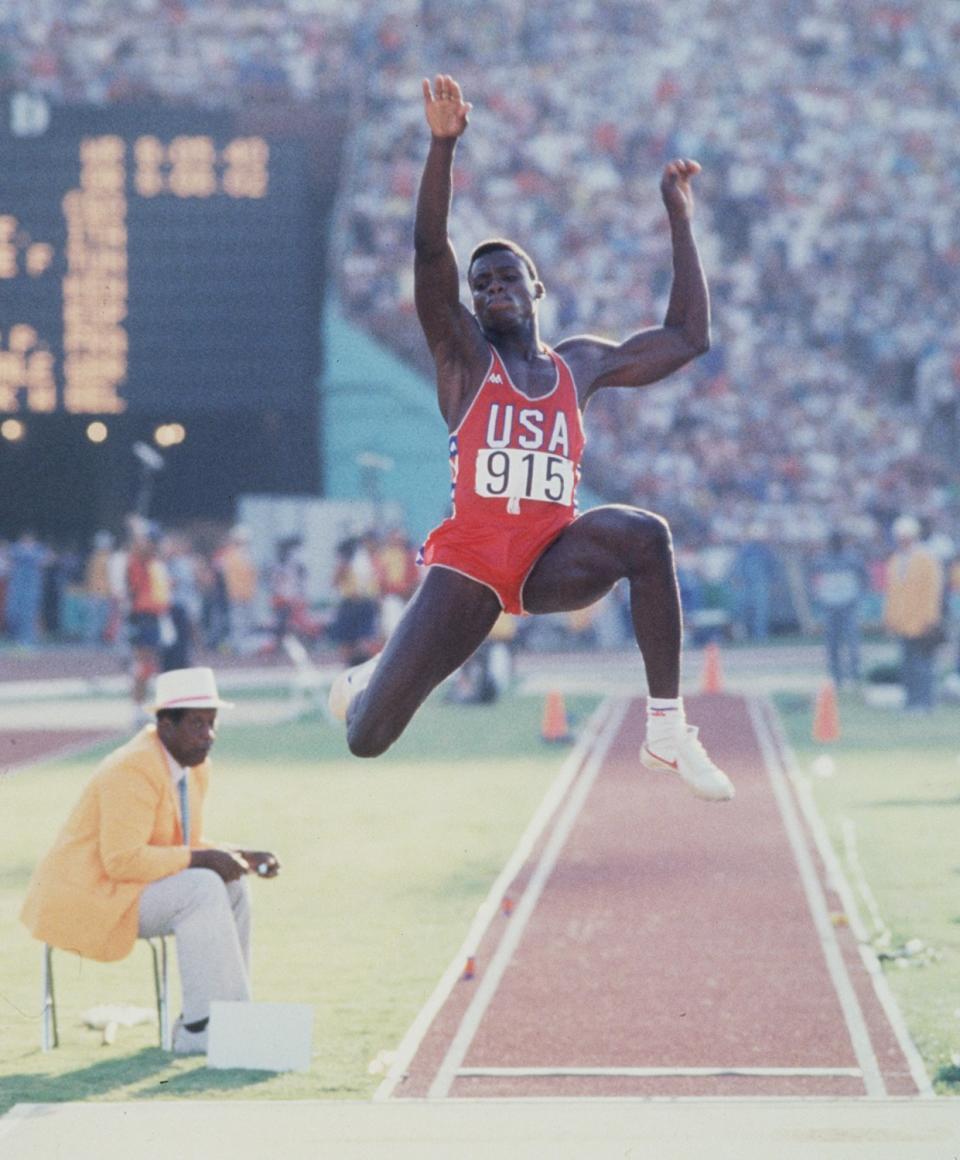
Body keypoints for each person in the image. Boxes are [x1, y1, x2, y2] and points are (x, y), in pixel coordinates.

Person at [329, 74, 733, 802]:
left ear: (536, 289)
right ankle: (369, 679)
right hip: (473, 567)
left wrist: (679, 217)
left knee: (647, 536)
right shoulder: (465, 358)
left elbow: (687, 337)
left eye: (505, 277)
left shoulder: (579, 364)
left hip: (552, 556)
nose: (489, 290)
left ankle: (667, 730)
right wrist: (441, 149)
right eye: (480, 285)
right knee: (366, 737)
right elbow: (428, 256)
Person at [20, 667, 280, 1055]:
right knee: (203, 885)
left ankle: (232, 1020)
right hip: (89, 898)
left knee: (231, 882)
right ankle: (199, 1030)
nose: (208, 735)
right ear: (164, 724)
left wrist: (235, 855)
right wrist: (205, 858)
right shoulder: (132, 766)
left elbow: (180, 846)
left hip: (129, 890)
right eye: (196, 724)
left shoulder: (191, 766)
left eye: (212, 723)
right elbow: (122, 861)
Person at [882, 515, 944, 712]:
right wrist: (890, 619)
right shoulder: (895, 560)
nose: (902, 539)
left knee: (922, 665)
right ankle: (910, 702)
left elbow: (933, 591)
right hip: (902, 622)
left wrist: (930, 619)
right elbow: (891, 592)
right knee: (907, 665)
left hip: (921, 621)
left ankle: (924, 703)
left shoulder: (926, 559)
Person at [809, 530, 868, 688]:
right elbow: (811, 576)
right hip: (830, 606)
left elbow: (864, 576)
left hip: (848, 605)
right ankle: (836, 677)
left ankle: (855, 674)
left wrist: (859, 595)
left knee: (852, 640)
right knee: (832, 642)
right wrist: (817, 594)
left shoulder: (852, 558)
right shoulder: (821, 560)